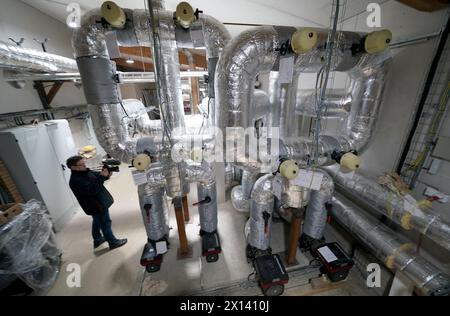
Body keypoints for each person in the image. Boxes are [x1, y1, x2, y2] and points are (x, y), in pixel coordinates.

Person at [66, 155, 127, 250]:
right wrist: (102, 177)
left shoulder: (85, 171)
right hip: (96, 205)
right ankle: (113, 242)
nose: (84, 166)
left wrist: (106, 175)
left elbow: (97, 176)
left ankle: (97, 239)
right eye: (81, 164)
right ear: (73, 167)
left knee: (97, 221)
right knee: (105, 222)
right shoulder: (75, 180)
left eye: (84, 163)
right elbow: (92, 190)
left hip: (97, 203)